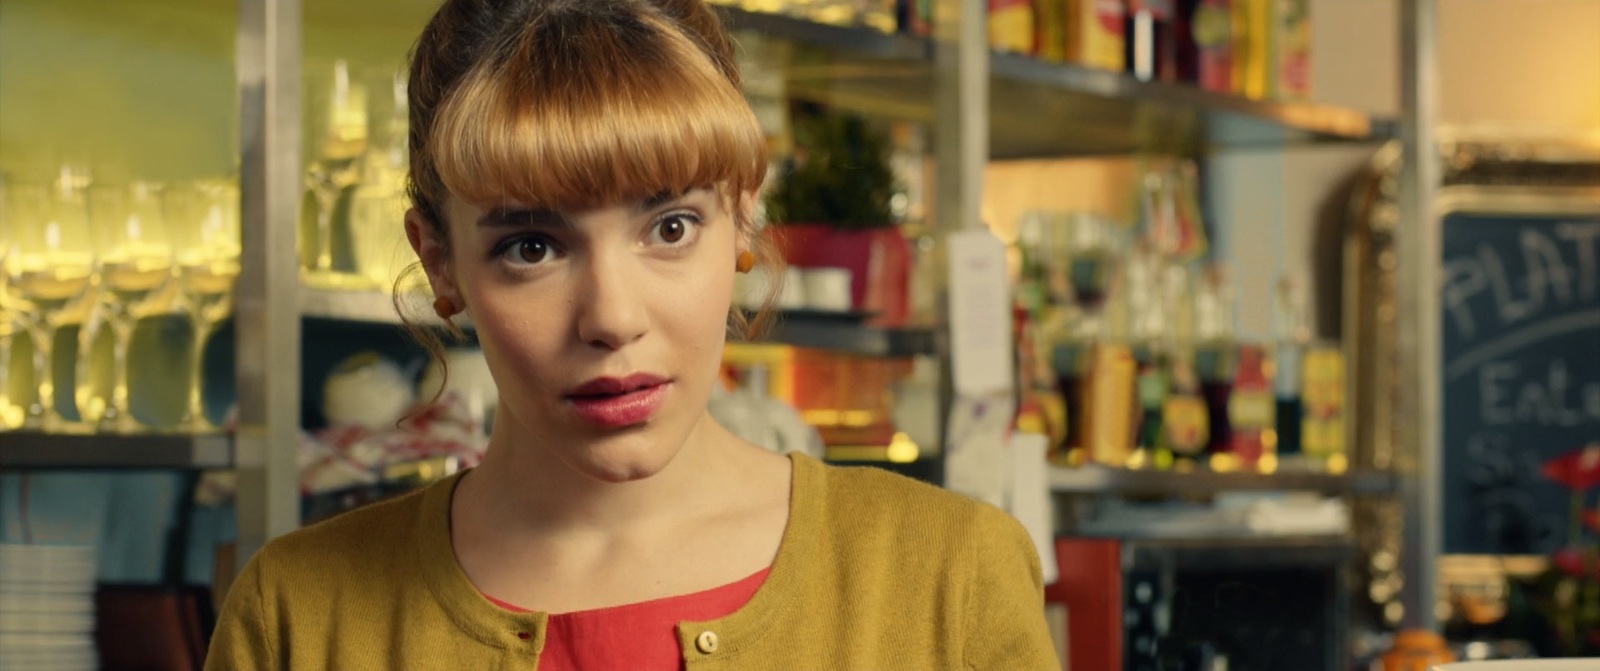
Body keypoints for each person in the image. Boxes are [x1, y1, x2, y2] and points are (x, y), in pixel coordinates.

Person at [205, 1, 1057, 668]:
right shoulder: (297, 615)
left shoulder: (952, 575)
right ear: (440, 263)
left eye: (672, 227)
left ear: (743, 217)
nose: (612, 316)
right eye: (531, 247)